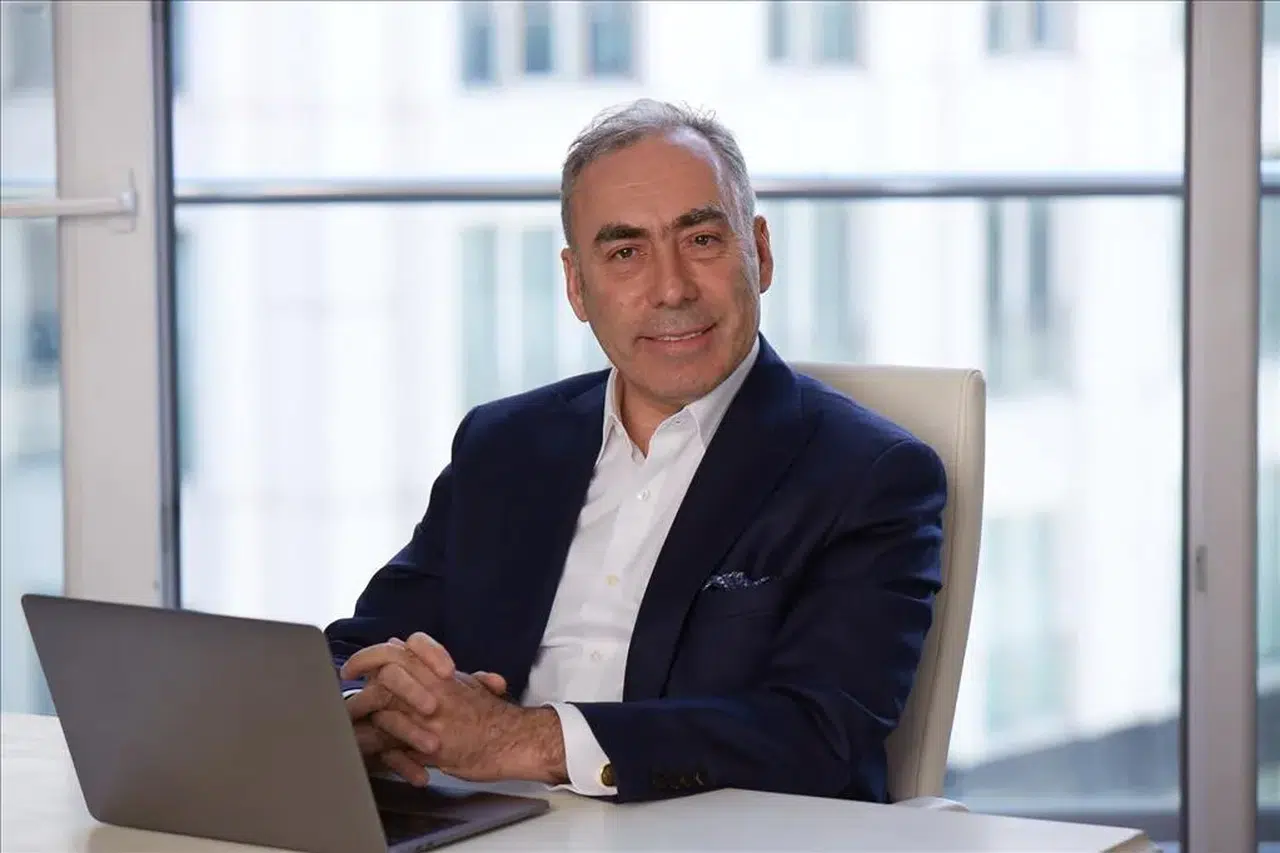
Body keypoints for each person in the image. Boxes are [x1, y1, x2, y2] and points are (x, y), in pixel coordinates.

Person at [325, 98, 947, 805]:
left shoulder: (871, 476)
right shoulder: (502, 445)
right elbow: (363, 646)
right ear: (576, 285)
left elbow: (816, 732)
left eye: (702, 240)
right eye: (625, 253)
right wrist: (366, 712)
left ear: (761, 252)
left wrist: (519, 740)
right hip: (479, 827)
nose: (672, 289)